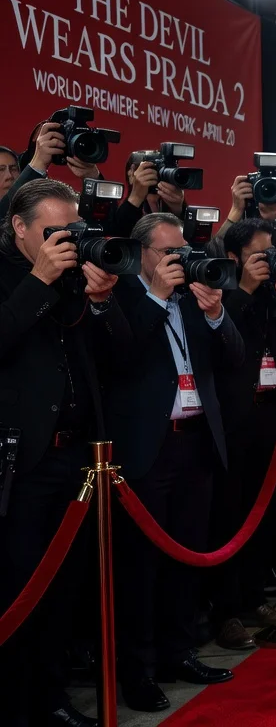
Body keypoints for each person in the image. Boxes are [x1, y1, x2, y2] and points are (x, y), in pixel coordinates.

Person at [0, 179, 129, 727]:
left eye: (73, 230)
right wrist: (39, 280)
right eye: (54, 231)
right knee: (19, 589)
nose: (67, 241)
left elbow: (122, 356)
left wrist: (100, 302)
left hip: (78, 459)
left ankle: (52, 699)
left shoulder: (80, 276)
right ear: (19, 228)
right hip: (20, 465)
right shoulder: (10, 276)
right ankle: (16, 706)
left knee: (65, 587)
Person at [108, 212, 244, 712]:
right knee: (140, 567)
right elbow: (120, 360)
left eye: (182, 251)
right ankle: (136, 670)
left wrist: (216, 314)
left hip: (195, 443)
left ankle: (178, 652)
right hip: (147, 447)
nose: (178, 260)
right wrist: (157, 297)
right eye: (168, 252)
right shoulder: (120, 296)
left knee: (187, 557)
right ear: (141, 254)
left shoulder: (193, 296)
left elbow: (234, 360)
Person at [208, 218, 276, 648]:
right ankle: (225, 612)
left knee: (265, 516)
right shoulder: (219, 291)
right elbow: (220, 342)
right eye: (259, 255)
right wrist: (245, 289)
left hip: (272, 418)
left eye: (272, 254)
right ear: (234, 258)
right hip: (234, 421)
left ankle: (254, 598)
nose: (268, 263)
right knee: (230, 518)